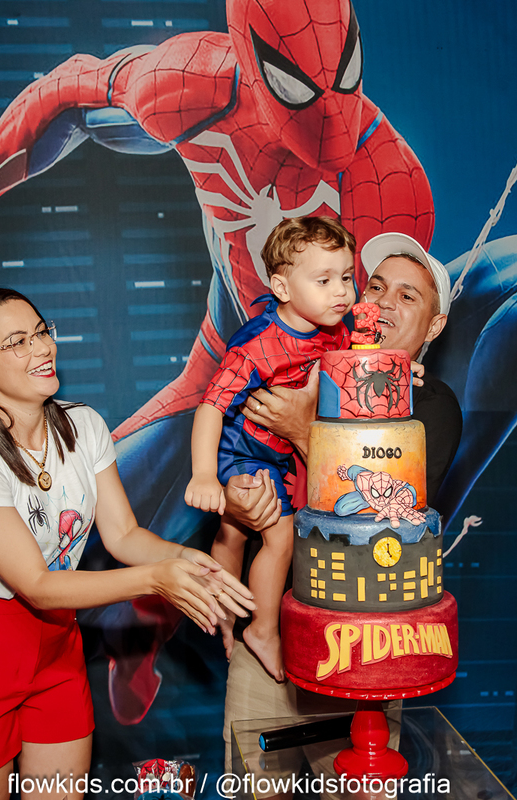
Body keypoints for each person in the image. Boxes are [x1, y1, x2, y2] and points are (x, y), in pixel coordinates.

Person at [0, 0, 517, 722]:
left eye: (344, 75)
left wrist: (352, 404)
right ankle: (160, 628)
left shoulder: (382, 178)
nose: (329, 120)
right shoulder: (196, 86)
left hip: (340, 452)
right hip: (228, 381)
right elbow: (67, 92)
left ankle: (424, 529)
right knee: (107, 557)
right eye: (297, 85)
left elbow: (375, 371)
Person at [0, 288, 254, 799]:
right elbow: (36, 583)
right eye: (17, 342)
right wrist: (157, 579)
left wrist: (187, 559)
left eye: (41, 332)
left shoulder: (84, 425)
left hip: (57, 646)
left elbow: (124, 535)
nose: (42, 348)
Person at [220, 231, 463, 778]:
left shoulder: (431, 407)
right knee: (255, 786)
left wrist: (303, 427)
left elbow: (383, 510)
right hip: (268, 648)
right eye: (375, 287)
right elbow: (237, 454)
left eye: (408, 296)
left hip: (359, 653)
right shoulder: (298, 366)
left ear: (434, 326)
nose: (384, 302)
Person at [185, 216, 355, 682]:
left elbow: (357, 363)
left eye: (346, 277)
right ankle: (262, 629)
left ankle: (224, 608)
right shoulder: (257, 346)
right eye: (323, 280)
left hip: (282, 451)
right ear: (281, 287)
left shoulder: (336, 328)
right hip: (241, 451)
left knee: (235, 532)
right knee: (279, 538)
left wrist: (399, 369)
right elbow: (211, 407)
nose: (341, 291)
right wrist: (204, 474)